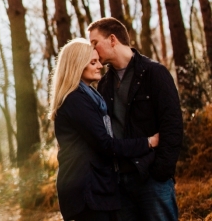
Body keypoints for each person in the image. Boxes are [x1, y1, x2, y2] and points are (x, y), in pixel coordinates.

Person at [49, 38, 158, 221]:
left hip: (97, 188)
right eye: (93, 62)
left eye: (98, 60)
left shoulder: (90, 97)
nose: (100, 65)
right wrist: (148, 142)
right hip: (87, 191)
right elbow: (105, 144)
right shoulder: (75, 100)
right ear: (77, 65)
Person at [89, 17, 183, 221]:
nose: (92, 51)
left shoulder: (154, 73)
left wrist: (161, 172)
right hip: (120, 184)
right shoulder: (104, 84)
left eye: (95, 44)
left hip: (152, 179)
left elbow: (172, 124)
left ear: (112, 39)